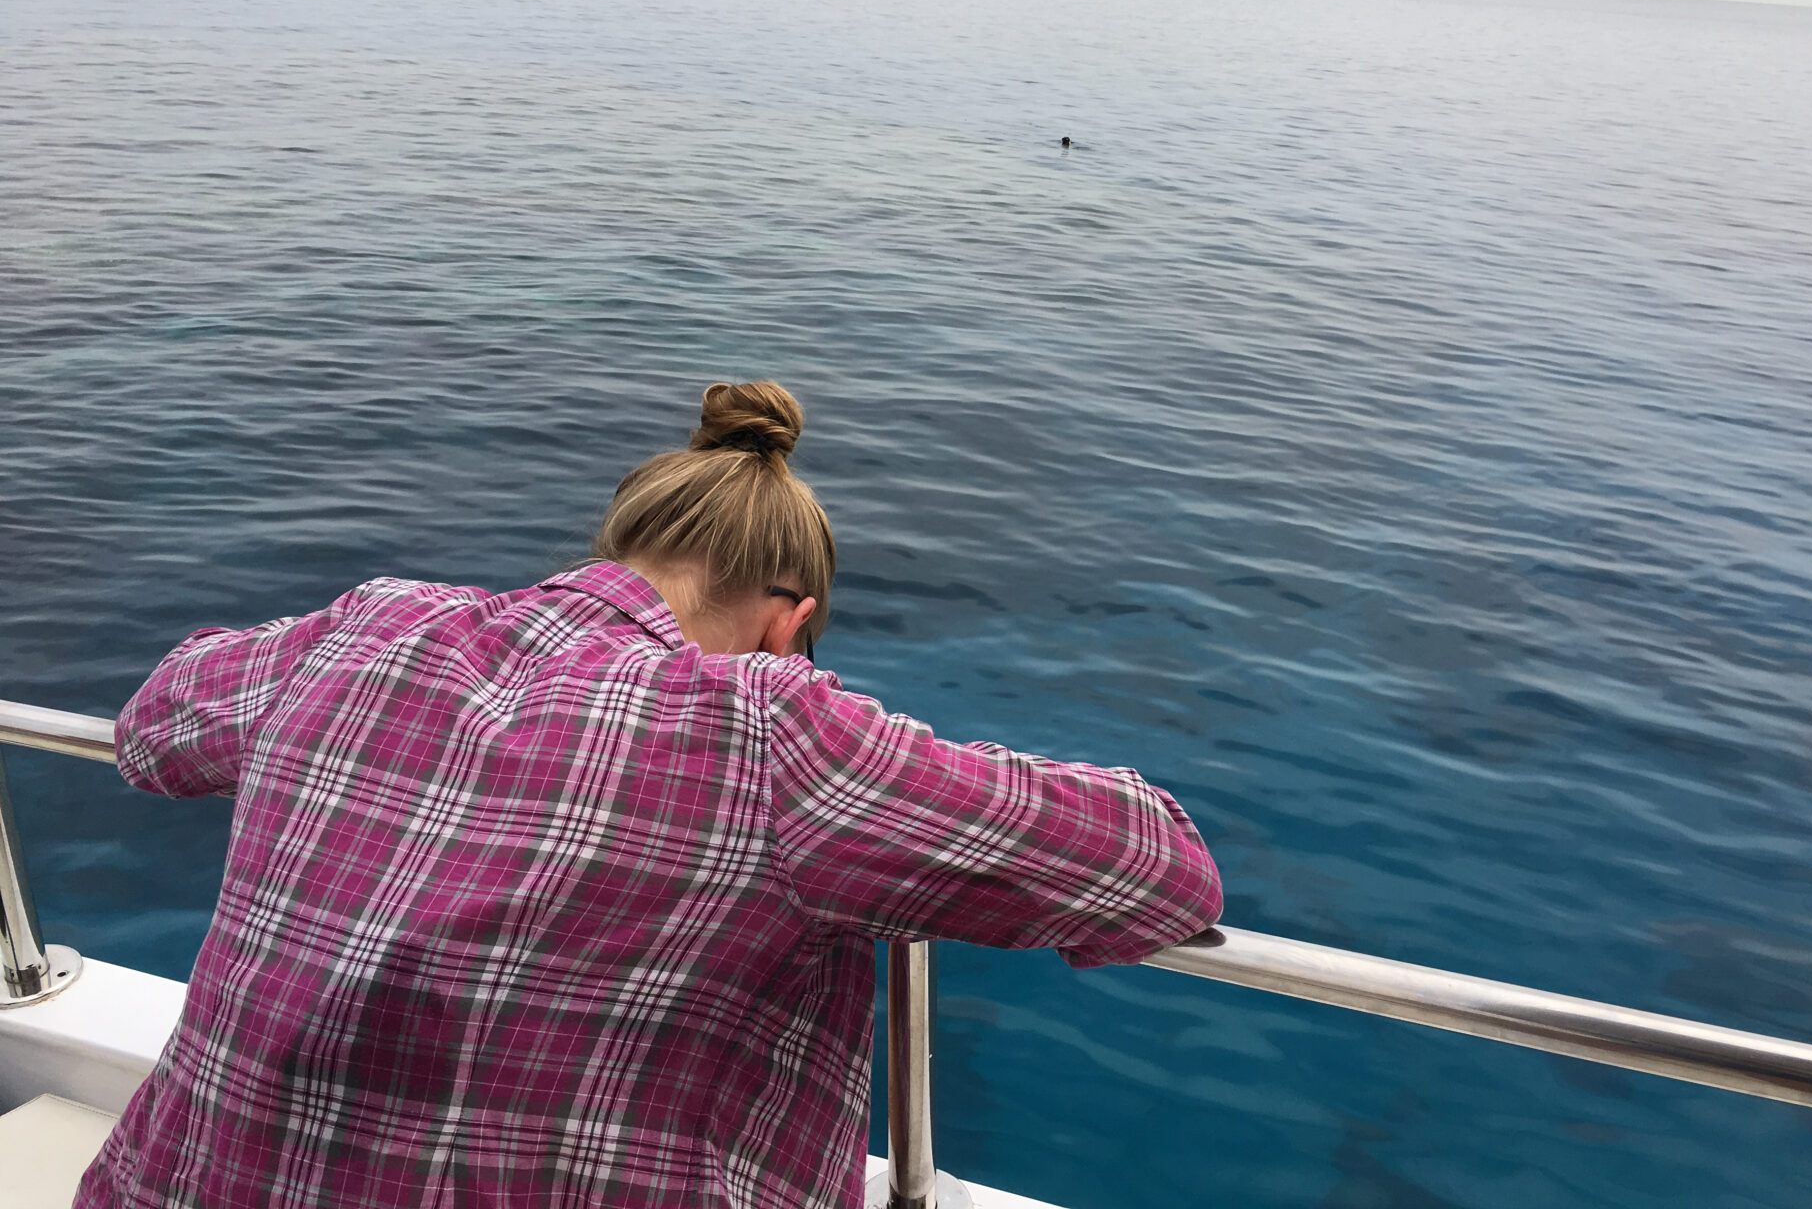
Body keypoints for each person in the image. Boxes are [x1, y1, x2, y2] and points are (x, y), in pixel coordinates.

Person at [78, 381, 1222, 1209]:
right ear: (790, 624)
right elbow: (1156, 871)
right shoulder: (778, 725)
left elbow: (152, 731)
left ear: (622, 548)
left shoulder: (370, 621)